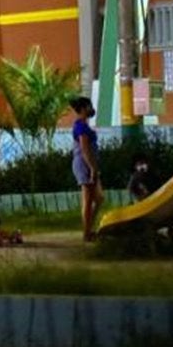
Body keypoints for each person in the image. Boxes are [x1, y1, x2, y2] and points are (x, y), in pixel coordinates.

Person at [70, 96, 103, 241]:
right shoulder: (80, 127)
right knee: (88, 200)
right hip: (84, 164)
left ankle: (89, 228)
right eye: (88, 106)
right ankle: (87, 233)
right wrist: (92, 168)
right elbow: (84, 149)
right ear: (83, 109)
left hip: (89, 163)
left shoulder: (84, 125)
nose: (91, 108)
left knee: (99, 198)